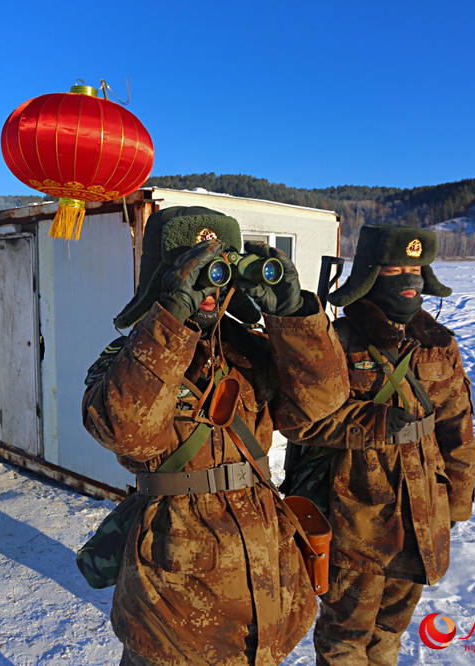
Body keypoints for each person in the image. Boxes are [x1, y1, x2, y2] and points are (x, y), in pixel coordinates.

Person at [82, 206, 350, 665]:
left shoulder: (249, 350)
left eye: (220, 268)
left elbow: (320, 404)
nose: (209, 286)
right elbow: (128, 433)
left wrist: (294, 315)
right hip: (174, 612)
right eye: (194, 269)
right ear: (163, 275)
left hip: (265, 596)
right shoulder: (132, 354)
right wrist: (173, 317)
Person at [281, 225, 475, 664]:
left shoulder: (438, 345)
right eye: (395, 268)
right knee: (345, 639)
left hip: (422, 516)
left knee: (390, 631)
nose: (408, 280)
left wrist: (455, 505)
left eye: (415, 268)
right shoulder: (337, 340)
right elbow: (300, 422)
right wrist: (373, 424)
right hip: (356, 519)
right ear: (371, 273)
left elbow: (457, 428)